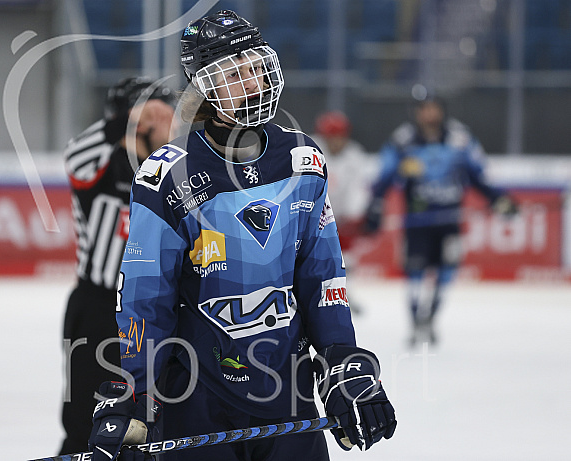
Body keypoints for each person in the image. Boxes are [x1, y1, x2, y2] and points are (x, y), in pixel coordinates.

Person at [87, 10, 396, 461]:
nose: (252, 82)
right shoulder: (166, 175)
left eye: (255, 68)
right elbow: (145, 299)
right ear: (205, 89)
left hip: (286, 393)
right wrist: (134, 396)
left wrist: (342, 362)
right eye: (235, 74)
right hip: (194, 397)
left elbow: (322, 276)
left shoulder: (302, 157)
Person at [59, 77, 175, 455]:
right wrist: (129, 120)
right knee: (88, 420)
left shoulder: (170, 174)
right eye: (162, 115)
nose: (174, 126)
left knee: (155, 419)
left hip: (155, 311)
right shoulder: (100, 166)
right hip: (100, 310)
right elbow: (76, 153)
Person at [363, 94, 517, 347]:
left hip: (449, 220)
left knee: (446, 272)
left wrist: (500, 200)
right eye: (424, 109)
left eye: (433, 108)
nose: (429, 114)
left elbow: (478, 176)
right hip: (417, 221)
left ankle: (431, 318)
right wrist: (375, 204)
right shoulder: (403, 140)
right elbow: (384, 177)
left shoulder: (460, 138)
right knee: (414, 271)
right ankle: (414, 322)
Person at [313, 111, 373, 313]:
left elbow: (360, 188)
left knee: (347, 259)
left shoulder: (355, 156)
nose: (336, 141)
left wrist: (355, 213)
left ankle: (344, 294)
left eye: (340, 136)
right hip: (314, 216)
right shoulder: (312, 151)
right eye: (332, 137)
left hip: (343, 218)